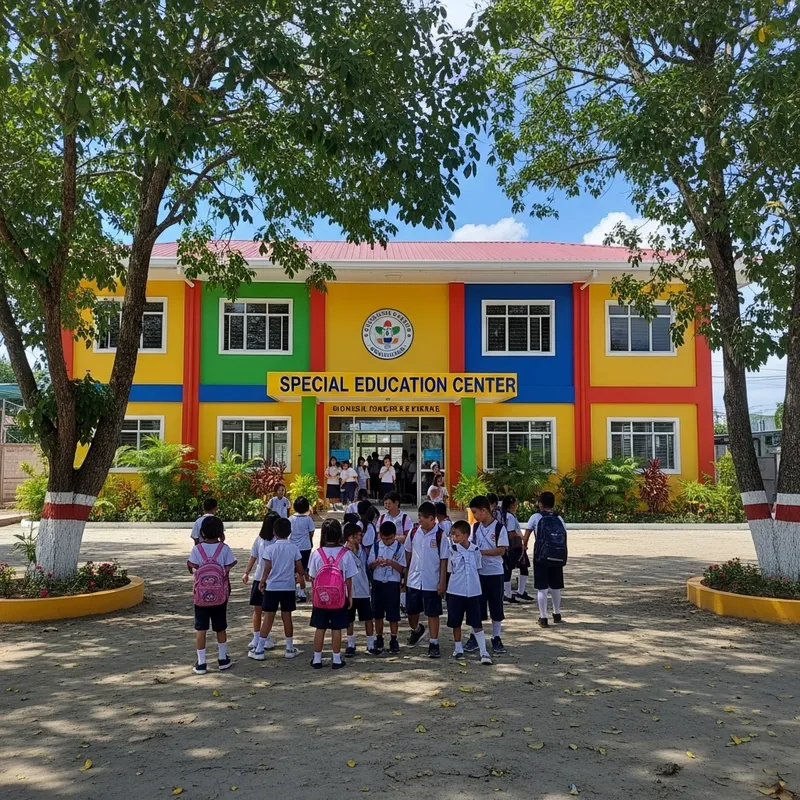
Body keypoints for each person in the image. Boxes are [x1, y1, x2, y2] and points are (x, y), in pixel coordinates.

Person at [249, 518, 305, 660]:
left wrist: (262, 581)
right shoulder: (293, 548)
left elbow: (267, 568)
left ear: (274, 532)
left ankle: (260, 649)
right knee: (287, 617)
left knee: (268, 617)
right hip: (288, 587)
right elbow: (300, 569)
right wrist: (301, 579)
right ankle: (289, 648)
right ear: (289, 532)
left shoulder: (270, 549)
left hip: (272, 587)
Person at [187, 516, 237, 674]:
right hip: (220, 596)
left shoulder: (197, 549)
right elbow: (228, 568)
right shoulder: (224, 548)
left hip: (201, 597)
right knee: (220, 627)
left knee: (201, 629)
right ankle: (223, 659)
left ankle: (201, 663)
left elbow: (192, 567)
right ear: (221, 532)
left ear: (202, 532)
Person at [308, 519, 357, 669]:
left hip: (321, 598)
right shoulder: (345, 554)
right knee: (337, 629)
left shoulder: (317, 554)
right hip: (338, 598)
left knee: (320, 628)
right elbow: (348, 578)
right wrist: (349, 597)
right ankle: (336, 659)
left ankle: (317, 659)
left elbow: (312, 577)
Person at [404, 501, 448, 658]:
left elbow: (444, 560)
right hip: (414, 579)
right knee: (411, 611)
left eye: (422, 517)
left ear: (432, 519)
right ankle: (416, 630)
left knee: (433, 613)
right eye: (419, 516)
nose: (419, 520)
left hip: (431, 581)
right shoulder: (414, 532)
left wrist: (442, 582)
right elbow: (408, 553)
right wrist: (405, 576)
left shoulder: (440, 535)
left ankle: (434, 643)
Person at [446, 520, 493, 665]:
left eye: (458, 535)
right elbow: (449, 569)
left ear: (466, 535)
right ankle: (458, 648)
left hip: (473, 591)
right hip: (455, 590)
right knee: (456, 621)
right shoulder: (452, 550)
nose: (455, 538)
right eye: (453, 535)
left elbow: (478, 567)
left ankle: (483, 651)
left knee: (476, 622)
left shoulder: (475, 550)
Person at [467, 495, 509, 655]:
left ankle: (496, 637)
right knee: (476, 605)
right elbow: (471, 544)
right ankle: (475, 636)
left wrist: (481, 552)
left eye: (476, 512)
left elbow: (501, 550)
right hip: (478, 572)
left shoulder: (499, 528)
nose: (475, 516)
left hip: (494, 572)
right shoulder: (475, 528)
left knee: (496, 606)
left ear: (484, 510)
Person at [524, 491, 567, 627]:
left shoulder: (536, 517)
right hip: (557, 554)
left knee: (542, 587)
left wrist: (524, 547)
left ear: (540, 504)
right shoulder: (559, 518)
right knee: (556, 586)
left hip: (541, 556)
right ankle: (557, 613)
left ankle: (543, 617)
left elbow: (526, 536)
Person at [368, 520, 406, 654]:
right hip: (378, 583)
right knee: (377, 614)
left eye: (389, 539)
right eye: (384, 539)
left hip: (392, 584)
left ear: (394, 536)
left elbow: (402, 568)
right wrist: (376, 563)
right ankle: (379, 637)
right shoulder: (376, 546)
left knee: (393, 615)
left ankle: (394, 639)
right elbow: (370, 566)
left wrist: (391, 563)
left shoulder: (399, 547)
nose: (387, 541)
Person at [242, 512, 277, 653]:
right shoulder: (260, 540)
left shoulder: (272, 540)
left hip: (268, 579)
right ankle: (257, 636)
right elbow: (253, 556)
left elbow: (253, 557)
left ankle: (264, 636)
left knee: (266, 610)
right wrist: (247, 572)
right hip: (262, 578)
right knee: (259, 609)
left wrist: (247, 572)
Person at [343, 522, 377, 656]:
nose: (360, 537)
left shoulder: (363, 550)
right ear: (350, 537)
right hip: (349, 591)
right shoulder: (344, 552)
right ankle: (351, 644)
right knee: (349, 619)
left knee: (368, 618)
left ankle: (370, 644)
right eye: (357, 535)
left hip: (363, 589)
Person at [378, 491, 413, 609]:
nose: (387, 505)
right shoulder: (382, 517)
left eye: (389, 503)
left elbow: (408, 536)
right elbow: (379, 536)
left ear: (396, 503)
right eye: (385, 503)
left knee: (402, 576)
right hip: (384, 551)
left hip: (400, 552)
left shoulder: (404, 518)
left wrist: (393, 539)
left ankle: (403, 603)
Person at [500, 495, 528, 603]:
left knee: (520, 567)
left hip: (513, 545)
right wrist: (521, 537)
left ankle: (518, 591)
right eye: (516, 504)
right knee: (510, 568)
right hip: (513, 545)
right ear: (511, 505)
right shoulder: (510, 517)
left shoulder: (508, 515)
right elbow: (510, 532)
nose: (517, 506)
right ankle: (508, 593)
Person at [290, 496, 316, 602]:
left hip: (293, 548)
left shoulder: (290, 519)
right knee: (302, 570)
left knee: (295, 570)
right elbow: (311, 532)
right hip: (305, 548)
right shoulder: (308, 519)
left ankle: (296, 591)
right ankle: (301, 592)